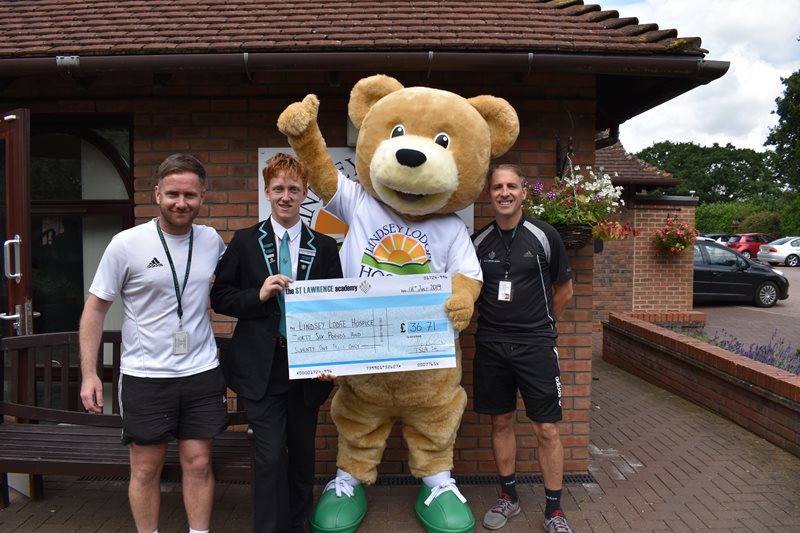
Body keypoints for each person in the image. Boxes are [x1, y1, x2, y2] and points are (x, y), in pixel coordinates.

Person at [79, 153, 228, 533]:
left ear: (202, 196)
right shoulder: (126, 244)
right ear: (157, 193)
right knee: (146, 469)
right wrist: (89, 373)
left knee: (199, 463)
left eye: (190, 195)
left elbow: (235, 287)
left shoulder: (211, 241)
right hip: (146, 375)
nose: (181, 203)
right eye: (173, 194)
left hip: (200, 372)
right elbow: (95, 309)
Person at [210, 153, 342, 533]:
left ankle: (297, 525)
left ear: (305, 194)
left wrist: (333, 360)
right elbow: (221, 297)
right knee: (269, 458)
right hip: (260, 369)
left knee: (301, 457)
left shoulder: (324, 246)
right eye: (279, 188)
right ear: (267, 192)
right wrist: (258, 294)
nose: (286, 196)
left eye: (294, 189)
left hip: (307, 369)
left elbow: (336, 310)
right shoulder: (245, 241)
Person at [471, 164, 575, 533]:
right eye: (497, 187)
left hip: (535, 346)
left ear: (524, 192)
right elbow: (469, 293)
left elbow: (564, 291)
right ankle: (509, 497)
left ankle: (554, 510)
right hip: (491, 345)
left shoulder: (545, 236)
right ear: (489, 194)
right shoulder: (478, 242)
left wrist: (542, 327)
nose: (504, 193)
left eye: (511, 186)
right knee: (500, 421)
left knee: (546, 428)